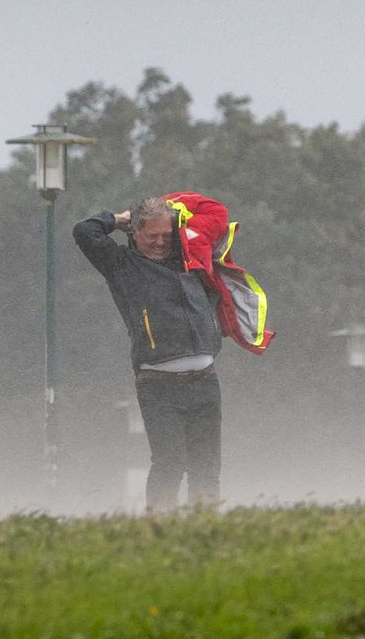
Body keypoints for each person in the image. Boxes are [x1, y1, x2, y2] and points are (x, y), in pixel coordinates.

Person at [74, 192, 272, 511]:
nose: (160, 242)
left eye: (166, 234)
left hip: (205, 382)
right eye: (152, 235)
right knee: (170, 463)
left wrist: (171, 204)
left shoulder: (189, 251)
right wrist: (119, 218)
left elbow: (216, 212)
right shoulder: (121, 265)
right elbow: (84, 232)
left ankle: (203, 530)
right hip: (157, 386)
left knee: (206, 468)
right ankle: (159, 530)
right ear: (135, 233)